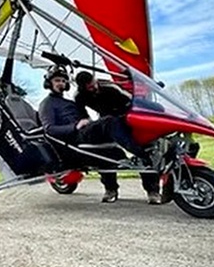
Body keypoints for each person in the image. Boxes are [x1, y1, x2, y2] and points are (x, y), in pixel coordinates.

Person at [40, 67, 161, 205]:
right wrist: (75, 126)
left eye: (63, 80)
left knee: (115, 152)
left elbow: (86, 116)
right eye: (57, 81)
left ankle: (153, 191)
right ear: (49, 83)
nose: (60, 83)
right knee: (109, 122)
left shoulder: (70, 102)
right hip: (76, 138)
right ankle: (112, 188)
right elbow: (49, 129)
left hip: (91, 131)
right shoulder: (47, 104)